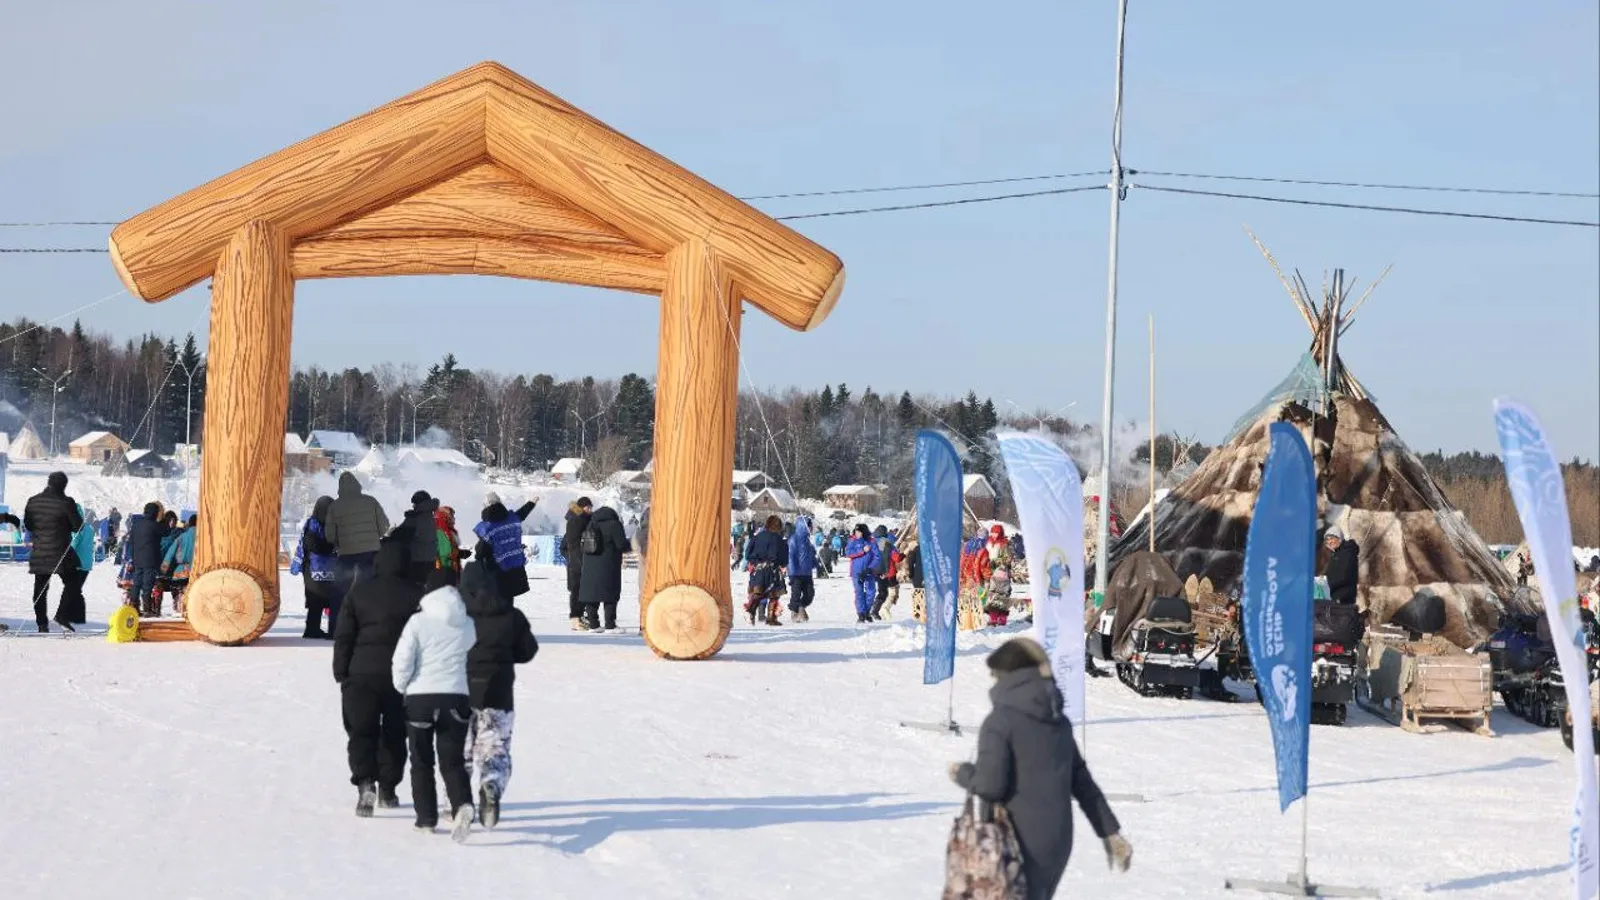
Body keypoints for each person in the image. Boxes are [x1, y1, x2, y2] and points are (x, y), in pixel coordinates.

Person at [951, 637, 1132, 899]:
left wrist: (963, 773)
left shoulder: (1000, 722)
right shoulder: (1059, 721)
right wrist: (1110, 833)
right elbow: (1083, 785)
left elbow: (991, 786)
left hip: (1016, 841)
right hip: (1058, 842)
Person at [333, 534, 422, 817]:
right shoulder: (417, 594)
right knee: (395, 733)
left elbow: (344, 636)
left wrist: (341, 670)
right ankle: (388, 789)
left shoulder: (359, 593)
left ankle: (365, 782)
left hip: (361, 673)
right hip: (402, 677)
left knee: (361, 731)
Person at [391, 578, 478, 841]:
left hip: (420, 698)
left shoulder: (417, 622)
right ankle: (461, 803)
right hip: (456, 697)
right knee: (452, 761)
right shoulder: (466, 623)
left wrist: (401, 686)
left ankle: (426, 819)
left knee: (421, 761)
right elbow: (470, 649)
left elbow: (403, 658)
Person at [459, 558, 538, 829]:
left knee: (460, 750)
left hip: (460, 693)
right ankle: (491, 785)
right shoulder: (510, 615)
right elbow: (528, 651)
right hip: (499, 693)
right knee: (496, 748)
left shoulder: (455, 615)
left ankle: (456, 801)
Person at [325, 471, 391, 632]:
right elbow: (385, 527)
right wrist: (374, 537)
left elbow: (329, 535)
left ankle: (335, 628)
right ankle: (371, 628)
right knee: (371, 591)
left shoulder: (334, 506)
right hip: (371, 553)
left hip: (346, 554)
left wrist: (339, 543)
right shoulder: (371, 501)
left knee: (340, 592)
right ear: (357, 485)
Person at [23, 471, 85, 632]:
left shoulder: (33, 501)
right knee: (73, 583)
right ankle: (62, 615)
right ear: (63, 485)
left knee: (40, 589)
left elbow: (29, 525)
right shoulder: (67, 502)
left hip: (40, 552)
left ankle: (42, 624)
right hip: (60, 552)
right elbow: (77, 527)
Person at [578, 505, 631, 631]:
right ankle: (610, 625)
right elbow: (622, 545)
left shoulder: (591, 524)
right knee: (610, 595)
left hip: (589, 567)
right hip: (609, 566)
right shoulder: (614, 525)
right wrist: (632, 543)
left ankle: (593, 625)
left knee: (591, 595)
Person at [293, 496, 340, 639]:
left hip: (326, 570)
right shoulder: (313, 525)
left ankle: (331, 631)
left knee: (331, 601)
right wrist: (333, 547)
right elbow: (314, 546)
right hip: (314, 570)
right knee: (318, 601)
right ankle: (313, 630)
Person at [473, 492, 537, 599]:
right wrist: (531, 503)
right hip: (517, 573)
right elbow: (522, 513)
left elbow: (481, 552)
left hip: (497, 574)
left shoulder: (487, 528)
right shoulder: (512, 518)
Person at [126, 502, 172, 618]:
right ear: (155, 513)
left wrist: (133, 556)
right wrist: (165, 521)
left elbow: (131, 542)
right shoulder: (154, 525)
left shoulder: (136, 524)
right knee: (147, 584)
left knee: (136, 583)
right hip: (150, 560)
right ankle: (147, 609)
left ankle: (134, 606)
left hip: (137, 559)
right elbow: (166, 532)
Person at [744, 515, 787, 626]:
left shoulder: (757, 537)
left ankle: (750, 612)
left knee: (758, 593)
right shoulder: (779, 540)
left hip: (757, 570)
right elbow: (784, 559)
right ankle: (770, 617)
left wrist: (754, 562)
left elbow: (747, 553)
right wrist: (781, 564)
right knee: (774, 594)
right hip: (772, 570)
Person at [59, 502, 97, 626]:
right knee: (75, 589)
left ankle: (63, 616)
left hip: (76, 563)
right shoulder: (89, 528)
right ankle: (74, 616)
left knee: (70, 589)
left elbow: (74, 545)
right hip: (85, 564)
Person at [562, 497, 594, 631]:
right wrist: (574, 557)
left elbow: (565, 546)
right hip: (578, 562)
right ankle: (577, 620)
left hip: (576, 561)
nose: (590, 510)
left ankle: (579, 619)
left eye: (591, 507)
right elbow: (569, 545)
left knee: (578, 591)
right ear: (581, 507)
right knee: (578, 592)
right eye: (588, 507)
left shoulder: (579, 519)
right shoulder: (578, 520)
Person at [400, 491, 441, 587]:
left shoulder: (415, 518)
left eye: (414, 504)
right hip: (431, 558)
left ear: (419, 503)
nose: (413, 506)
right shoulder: (433, 516)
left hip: (417, 559)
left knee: (413, 588)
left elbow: (402, 535)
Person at [162, 514, 199, 616]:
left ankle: (180, 606)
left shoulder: (182, 537)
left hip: (181, 571)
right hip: (199, 571)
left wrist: (164, 568)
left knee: (179, 590)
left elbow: (170, 553)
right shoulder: (205, 538)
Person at [845, 524, 879, 624]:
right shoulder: (852, 540)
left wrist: (870, 568)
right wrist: (862, 551)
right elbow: (848, 553)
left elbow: (877, 557)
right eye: (855, 532)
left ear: (864, 532)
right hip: (856, 571)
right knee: (859, 592)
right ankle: (861, 614)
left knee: (871, 592)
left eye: (859, 532)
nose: (857, 534)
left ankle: (867, 611)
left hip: (869, 571)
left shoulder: (872, 541)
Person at [788, 516, 819, 622]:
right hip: (796, 573)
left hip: (807, 572)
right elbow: (790, 557)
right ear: (803, 526)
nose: (811, 528)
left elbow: (810, 555)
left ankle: (801, 607)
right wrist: (792, 573)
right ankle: (794, 613)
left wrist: (815, 563)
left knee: (810, 594)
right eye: (809, 526)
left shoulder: (808, 541)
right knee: (795, 594)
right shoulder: (793, 539)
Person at [983, 525, 1015, 627]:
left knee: (1002, 596)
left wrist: (996, 561)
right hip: (989, 573)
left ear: (1000, 533)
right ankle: (992, 618)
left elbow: (1008, 559)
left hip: (1001, 573)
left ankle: (1002, 618)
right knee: (991, 595)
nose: (994, 535)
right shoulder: (988, 542)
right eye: (992, 532)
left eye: (996, 532)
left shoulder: (1004, 544)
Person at [1324, 527, 1360, 605]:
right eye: (1327, 540)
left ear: (1339, 538)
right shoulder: (1336, 554)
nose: (1329, 542)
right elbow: (1331, 574)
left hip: (1343, 598)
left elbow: (1343, 576)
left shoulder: (1347, 552)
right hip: (1335, 596)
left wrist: (1325, 585)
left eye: (1331, 538)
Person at [871, 525, 899, 621]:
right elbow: (890, 555)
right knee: (885, 591)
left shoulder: (873, 541)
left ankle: (875, 610)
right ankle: (877, 610)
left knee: (881, 591)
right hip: (884, 570)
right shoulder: (886, 542)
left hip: (874, 569)